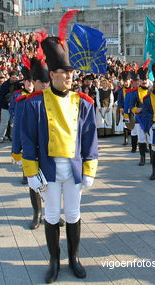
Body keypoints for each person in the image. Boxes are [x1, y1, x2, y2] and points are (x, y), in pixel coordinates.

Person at [21, 29, 98, 283]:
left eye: (71, 72)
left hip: (74, 170)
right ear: (52, 74)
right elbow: (28, 140)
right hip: (50, 171)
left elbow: (90, 139)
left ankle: (73, 258)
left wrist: (89, 169)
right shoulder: (34, 103)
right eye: (64, 73)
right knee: (53, 216)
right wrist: (31, 173)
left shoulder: (83, 102)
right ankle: (54, 261)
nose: (69, 76)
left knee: (74, 215)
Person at [124, 61, 151, 166]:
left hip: (150, 119)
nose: (144, 81)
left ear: (148, 80)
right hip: (139, 119)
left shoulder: (152, 91)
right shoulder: (134, 92)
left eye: (146, 79)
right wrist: (136, 110)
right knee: (141, 139)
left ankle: (153, 159)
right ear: (139, 80)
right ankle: (142, 158)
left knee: (151, 140)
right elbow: (131, 105)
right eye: (142, 79)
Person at [0, 71, 18, 142]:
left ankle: (12, 136)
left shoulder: (17, 84)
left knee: (13, 123)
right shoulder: (4, 85)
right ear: (10, 77)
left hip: (14, 107)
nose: (14, 79)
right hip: (5, 107)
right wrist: (6, 104)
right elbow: (2, 97)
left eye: (15, 77)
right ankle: (1, 136)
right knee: (4, 122)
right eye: (13, 77)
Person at [116, 68, 134, 148]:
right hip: (124, 110)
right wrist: (121, 109)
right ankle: (126, 139)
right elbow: (119, 101)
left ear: (130, 81)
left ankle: (134, 139)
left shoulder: (133, 90)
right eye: (125, 81)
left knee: (134, 124)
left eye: (127, 81)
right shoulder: (120, 91)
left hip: (133, 110)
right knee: (125, 125)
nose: (126, 83)